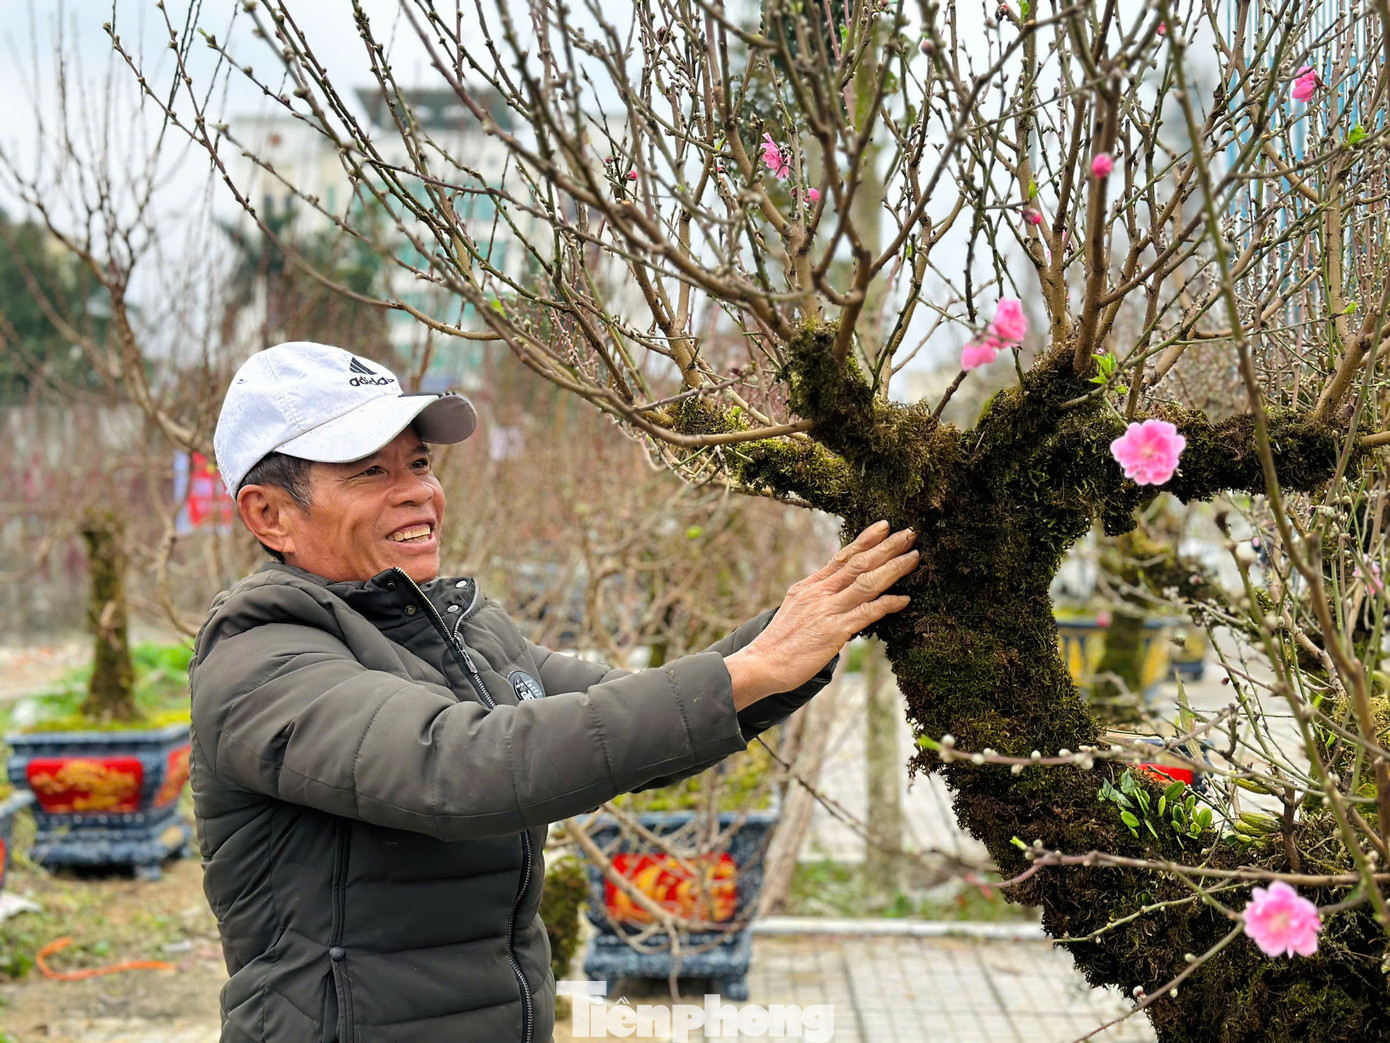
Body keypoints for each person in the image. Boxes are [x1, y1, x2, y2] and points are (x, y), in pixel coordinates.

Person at [191, 341, 918, 1042]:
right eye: (369, 472)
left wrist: (812, 628)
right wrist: (756, 667)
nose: (416, 490)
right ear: (269, 515)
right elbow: (457, 767)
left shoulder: (458, 628)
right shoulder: (260, 653)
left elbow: (635, 716)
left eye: (418, 462)